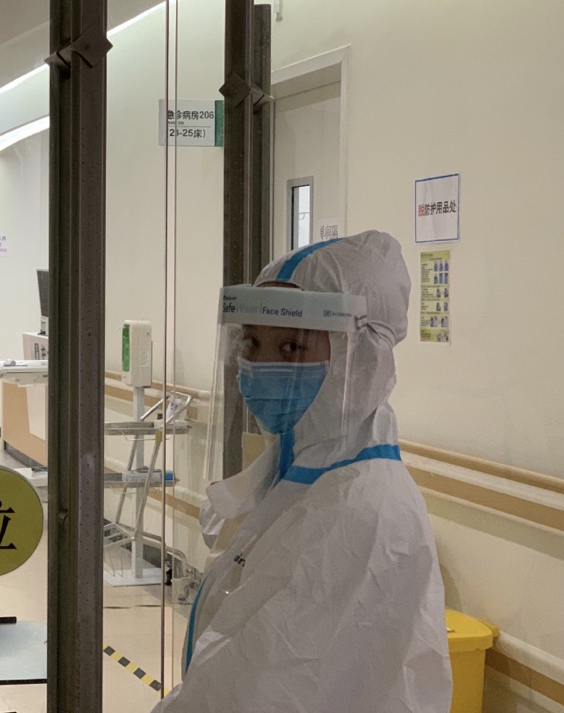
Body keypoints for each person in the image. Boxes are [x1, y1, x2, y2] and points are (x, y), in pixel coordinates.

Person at [153, 231, 452, 712]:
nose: (260, 365)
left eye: (292, 346)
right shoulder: (305, 475)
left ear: (361, 356)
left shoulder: (354, 512)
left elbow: (254, 694)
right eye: (252, 342)